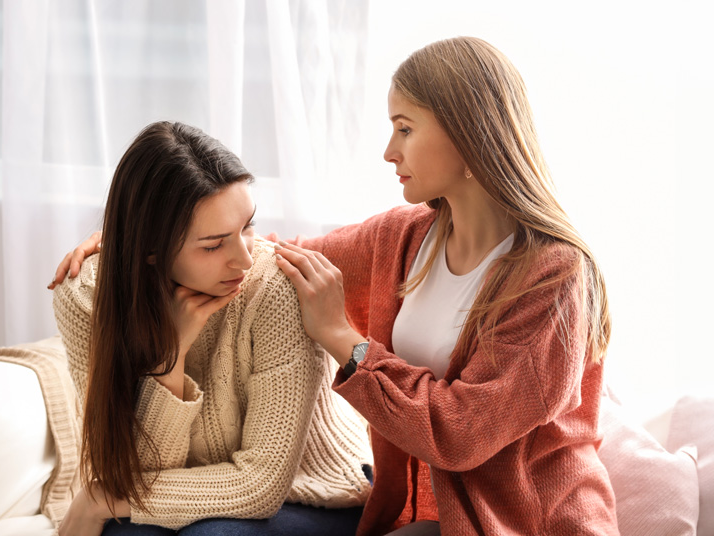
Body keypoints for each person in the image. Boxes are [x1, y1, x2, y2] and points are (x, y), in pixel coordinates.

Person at [53, 37, 619, 535]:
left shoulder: (555, 277)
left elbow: (462, 433)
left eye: (404, 129)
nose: (388, 151)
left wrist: (345, 342)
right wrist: (137, 237)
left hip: (531, 521)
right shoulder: (402, 237)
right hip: (442, 519)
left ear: (469, 139)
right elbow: (277, 255)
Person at [49, 121, 372, 536]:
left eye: (247, 227)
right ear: (150, 250)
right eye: (213, 245)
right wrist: (170, 357)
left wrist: (101, 499)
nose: (243, 258)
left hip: (311, 490)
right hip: (182, 484)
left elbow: (259, 486)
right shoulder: (85, 297)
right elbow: (135, 470)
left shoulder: (275, 291)